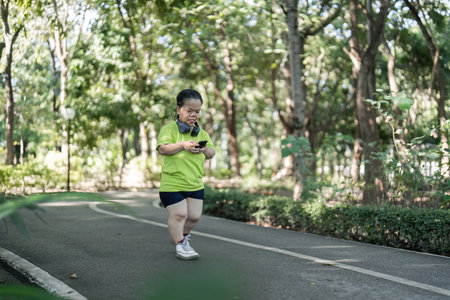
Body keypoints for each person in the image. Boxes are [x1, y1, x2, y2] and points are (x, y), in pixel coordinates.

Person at [156, 89, 215, 260]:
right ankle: (181, 245)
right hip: (172, 184)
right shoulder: (168, 130)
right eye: (189, 110)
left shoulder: (201, 133)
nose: (193, 115)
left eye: (197, 111)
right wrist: (182, 145)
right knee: (180, 214)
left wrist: (204, 149)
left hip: (195, 184)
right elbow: (163, 149)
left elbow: (211, 153)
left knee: (194, 217)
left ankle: (181, 236)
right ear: (178, 109)